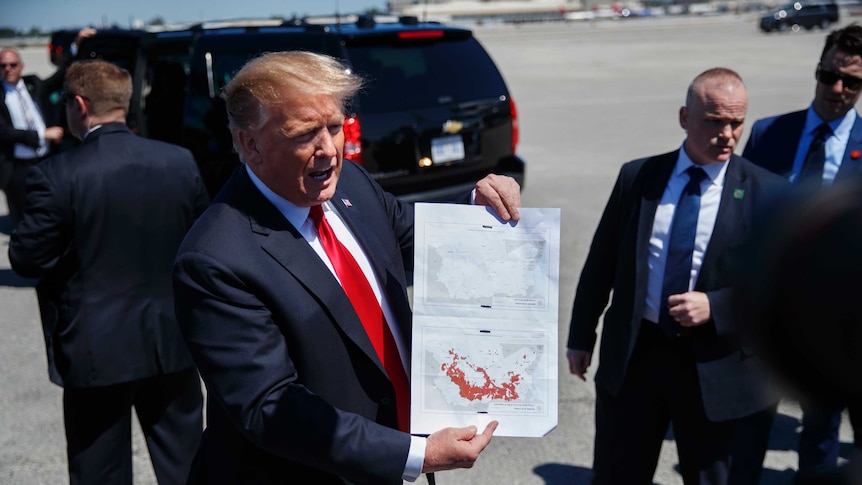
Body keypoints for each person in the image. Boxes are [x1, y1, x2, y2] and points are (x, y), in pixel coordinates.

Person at [172, 50, 521, 485]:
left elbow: (414, 240)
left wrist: (477, 208)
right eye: (305, 134)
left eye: (335, 127)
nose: (329, 150)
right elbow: (271, 407)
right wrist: (416, 452)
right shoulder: (215, 258)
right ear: (251, 144)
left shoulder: (349, 183)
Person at [565, 67, 787, 484]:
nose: (727, 133)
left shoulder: (765, 192)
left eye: (737, 122)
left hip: (716, 366)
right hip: (637, 357)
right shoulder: (639, 177)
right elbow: (601, 262)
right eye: (715, 121)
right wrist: (581, 335)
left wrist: (717, 306)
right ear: (685, 118)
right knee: (618, 474)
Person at [8, 59, 209, 485]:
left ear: (79, 106)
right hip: (172, 342)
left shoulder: (57, 175)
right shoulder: (179, 162)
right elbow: (201, 247)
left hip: (95, 351)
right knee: (190, 468)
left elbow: (27, 259)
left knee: (100, 474)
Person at [742, 23, 862, 481]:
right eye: (827, 74)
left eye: (851, 82)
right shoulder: (769, 134)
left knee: (820, 435)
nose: (836, 88)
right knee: (747, 431)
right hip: (762, 311)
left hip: (834, 324)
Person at [0, 27, 95, 224]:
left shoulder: (32, 83)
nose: (8, 69)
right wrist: (43, 134)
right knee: (25, 216)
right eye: (3, 66)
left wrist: (76, 45)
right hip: (18, 167)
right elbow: (5, 132)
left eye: (12, 65)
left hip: (46, 160)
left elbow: (59, 77)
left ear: (21, 66)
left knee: (52, 207)